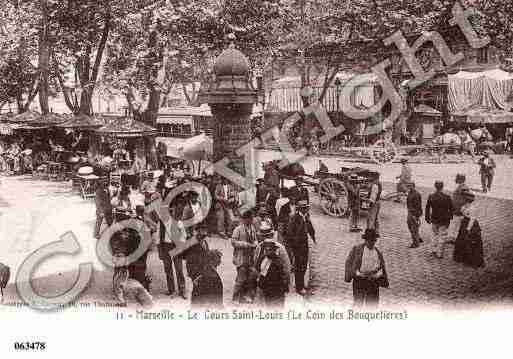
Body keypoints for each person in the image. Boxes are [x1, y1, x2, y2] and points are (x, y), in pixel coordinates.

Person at [344, 229, 389, 308]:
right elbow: (349, 262)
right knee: (358, 303)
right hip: (360, 280)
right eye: (369, 241)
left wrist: (378, 275)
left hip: (373, 282)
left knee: (372, 305)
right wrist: (355, 273)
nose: (371, 243)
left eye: (373, 241)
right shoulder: (357, 249)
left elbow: (381, 267)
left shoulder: (377, 252)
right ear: (365, 240)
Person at [158, 201, 187, 299]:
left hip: (175, 247)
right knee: (168, 269)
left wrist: (181, 245)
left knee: (179, 269)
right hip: (165, 247)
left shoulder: (177, 221)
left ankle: (182, 290)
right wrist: (160, 251)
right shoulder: (161, 223)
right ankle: (171, 289)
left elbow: (184, 235)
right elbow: (158, 238)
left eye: (170, 210)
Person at [287, 200, 316, 295]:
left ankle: (302, 285)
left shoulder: (306, 217)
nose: (305, 210)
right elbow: (290, 233)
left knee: (304, 265)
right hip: (297, 246)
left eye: (306, 208)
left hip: (304, 244)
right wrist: (294, 245)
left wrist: (313, 237)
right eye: (303, 208)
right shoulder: (295, 218)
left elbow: (310, 228)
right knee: (299, 266)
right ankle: (299, 287)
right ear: (299, 209)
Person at [231, 210, 258, 304]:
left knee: (250, 277)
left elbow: (255, 239)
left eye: (252, 219)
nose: (251, 220)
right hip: (241, 257)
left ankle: (246, 295)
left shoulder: (252, 228)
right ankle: (235, 298)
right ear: (245, 219)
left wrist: (255, 243)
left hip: (250, 257)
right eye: (250, 219)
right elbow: (233, 242)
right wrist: (245, 244)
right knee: (240, 278)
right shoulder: (238, 229)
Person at [453, 191, 484, 268]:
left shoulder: (472, 208)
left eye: (465, 200)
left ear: (468, 201)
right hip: (464, 223)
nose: (464, 201)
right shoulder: (464, 207)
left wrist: (468, 229)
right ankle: (462, 257)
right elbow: (463, 215)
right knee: (462, 239)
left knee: (470, 241)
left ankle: (470, 260)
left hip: (471, 226)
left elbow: (472, 219)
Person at [256, 238, 290, 308]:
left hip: (277, 290)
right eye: (266, 250)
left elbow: (284, 274)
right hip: (267, 290)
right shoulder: (263, 259)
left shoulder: (278, 262)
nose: (268, 252)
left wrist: (285, 286)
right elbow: (261, 272)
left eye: (270, 250)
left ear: (274, 250)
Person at [425, 181, 454, 259]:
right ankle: (439, 253)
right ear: (442, 187)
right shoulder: (447, 197)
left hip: (434, 219)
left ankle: (433, 250)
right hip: (444, 220)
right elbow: (451, 209)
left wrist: (427, 218)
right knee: (442, 237)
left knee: (434, 235)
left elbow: (427, 208)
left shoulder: (431, 196)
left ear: (435, 186)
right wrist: (450, 218)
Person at [449, 173, 470, 241]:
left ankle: (456, 238)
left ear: (461, 180)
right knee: (456, 224)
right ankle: (454, 238)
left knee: (457, 224)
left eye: (457, 179)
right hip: (457, 209)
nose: (456, 180)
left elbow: (468, 199)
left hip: (459, 210)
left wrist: (463, 207)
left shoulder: (463, 188)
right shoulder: (461, 187)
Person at [406, 182, 423, 248]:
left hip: (413, 213)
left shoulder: (416, 194)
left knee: (413, 227)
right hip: (410, 212)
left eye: (410, 186)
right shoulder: (411, 193)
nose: (408, 188)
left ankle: (416, 243)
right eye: (408, 186)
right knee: (411, 226)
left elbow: (418, 206)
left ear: (413, 186)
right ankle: (418, 238)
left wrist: (415, 215)